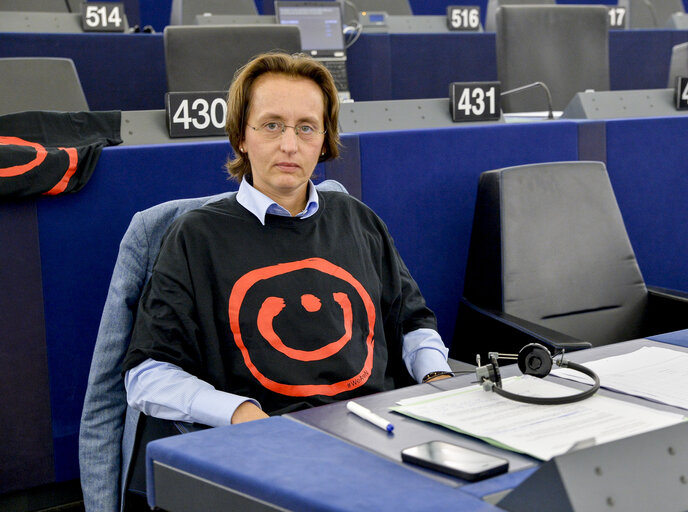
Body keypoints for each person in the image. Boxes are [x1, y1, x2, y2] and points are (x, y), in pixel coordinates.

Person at [121, 52, 453, 503]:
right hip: (269, 447)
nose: (290, 146)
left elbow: (413, 322)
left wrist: (439, 379)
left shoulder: (358, 219)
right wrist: (241, 414)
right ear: (241, 136)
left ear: (324, 138)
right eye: (272, 125)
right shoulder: (196, 236)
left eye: (306, 127)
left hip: (379, 434)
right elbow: (149, 374)